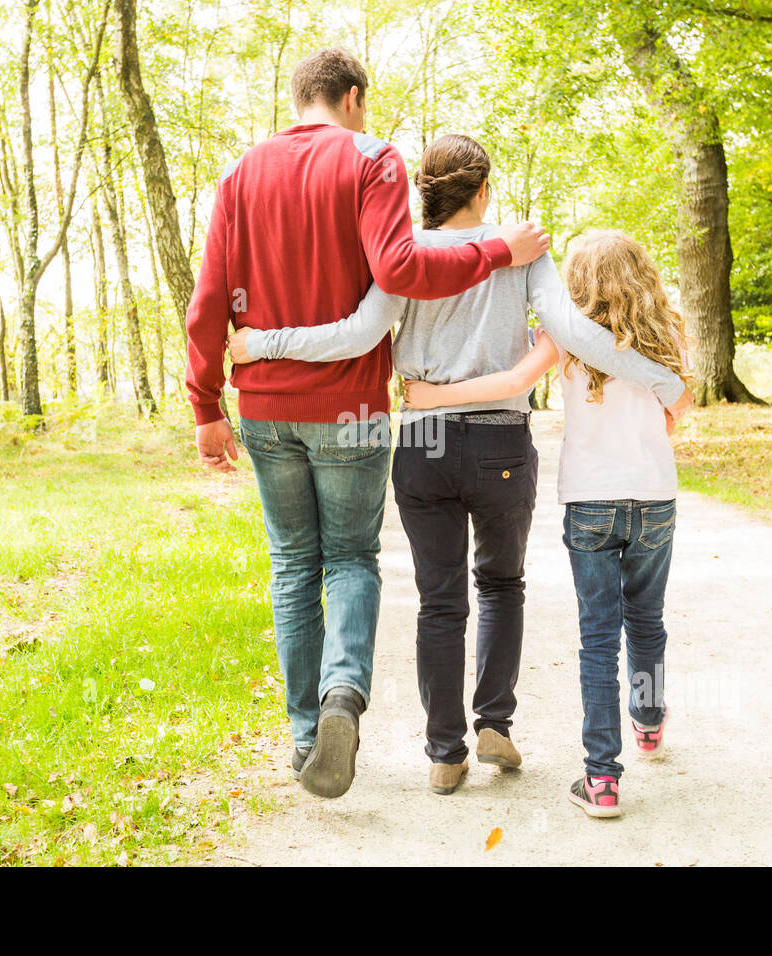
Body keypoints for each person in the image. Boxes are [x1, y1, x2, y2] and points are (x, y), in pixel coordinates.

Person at [230, 138, 693, 796]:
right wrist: (663, 381)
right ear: (481, 191)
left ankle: (445, 750)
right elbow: (577, 332)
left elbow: (356, 335)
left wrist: (263, 344)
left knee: (438, 602)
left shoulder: (403, 257)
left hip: (425, 443)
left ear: (427, 191)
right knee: (502, 585)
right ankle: (493, 722)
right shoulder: (521, 251)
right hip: (500, 444)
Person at [185, 49, 552, 800]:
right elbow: (402, 271)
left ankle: (303, 739)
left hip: (261, 405)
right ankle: (342, 698)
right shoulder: (372, 159)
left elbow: (208, 301)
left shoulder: (239, 174)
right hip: (347, 407)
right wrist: (496, 251)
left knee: (292, 567)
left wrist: (204, 405)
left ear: (299, 99)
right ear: (351, 97)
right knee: (351, 558)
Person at [402, 230, 688, 817]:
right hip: (655, 499)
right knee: (647, 621)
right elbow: (673, 417)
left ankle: (602, 780)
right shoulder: (669, 336)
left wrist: (433, 396)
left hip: (590, 505)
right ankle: (650, 719)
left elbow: (510, 386)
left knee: (599, 639)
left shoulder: (564, 338)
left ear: (577, 282)